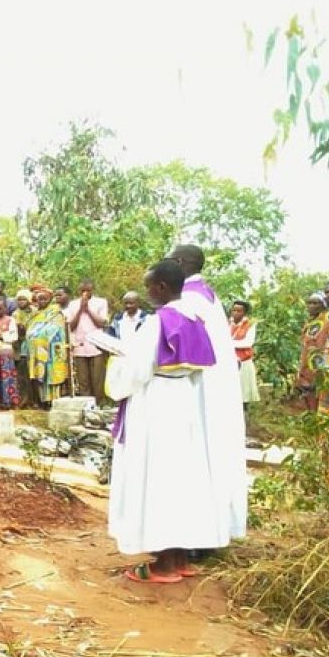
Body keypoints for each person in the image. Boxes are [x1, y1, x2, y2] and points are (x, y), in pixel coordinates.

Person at [107, 259, 226, 584]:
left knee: (157, 481)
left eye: (148, 287)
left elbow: (136, 371)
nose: (146, 293)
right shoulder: (194, 318)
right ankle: (178, 558)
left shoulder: (159, 322)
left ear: (160, 287)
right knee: (181, 481)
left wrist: (117, 365)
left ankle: (163, 567)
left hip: (156, 403)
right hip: (184, 402)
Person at [171, 243, 247, 542]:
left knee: (197, 455)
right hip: (216, 387)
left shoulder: (189, 299)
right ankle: (210, 531)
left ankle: (195, 536)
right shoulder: (207, 294)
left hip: (199, 389)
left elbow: (175, 346)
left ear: (180, 262)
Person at [65, 278, 109, 404]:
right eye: (82, 290)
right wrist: (80, 309)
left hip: (96, 347)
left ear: (92, 290)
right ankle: (87, 406)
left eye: (87, 290)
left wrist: (88, 309)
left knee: (98, 379)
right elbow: (71, 326)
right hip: (79, 345)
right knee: (83, 380)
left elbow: (101, 323)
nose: (85, 293)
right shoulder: (73, 304)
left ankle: (99, 404)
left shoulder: (101, 302)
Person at [25, 287, 69, 408]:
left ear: (50, 299)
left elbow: (55, 328)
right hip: (36, 352)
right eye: (39, 299)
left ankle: (53, 401)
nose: (42, 301)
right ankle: (42, 401)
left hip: (52, 351)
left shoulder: (55, 312)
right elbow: (29, 328)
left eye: (45, 299)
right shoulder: (35, 314)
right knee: (39, 377)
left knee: (51, 377)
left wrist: (40, 337)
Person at [297, 292, 329, 411]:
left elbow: (321, 347)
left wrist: (317, 369)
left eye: (315, 303)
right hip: (306, 365)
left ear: (323, 305)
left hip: (316, 367)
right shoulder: (311, 322)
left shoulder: (327, 321)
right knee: (308, 395)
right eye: (309, 303)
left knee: (316, 396)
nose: (311, 306)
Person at [228, 300, 260, 406]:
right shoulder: (227, 323)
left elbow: (248, 343)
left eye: (239, 311)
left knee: (243, 394)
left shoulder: (250, 324)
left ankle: (245, 417)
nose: (236, 313)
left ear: (244, 313)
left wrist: (227, 343)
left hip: (244, 362)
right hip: (230, 362)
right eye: (234, 310)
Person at [12, 289, 36, 407]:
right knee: (21, 375)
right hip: (19, 348)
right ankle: (23, 401)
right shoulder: (15, 313)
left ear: (29, 300)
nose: (21, 302)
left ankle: (34, 400)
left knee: (33, 376)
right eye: (19, 299)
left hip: (33, 347)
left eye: (23, 299)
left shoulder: (35, 312)